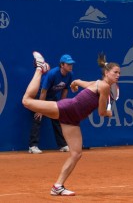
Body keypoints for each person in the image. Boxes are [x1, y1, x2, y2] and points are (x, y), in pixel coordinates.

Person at [22, 51, 120, 196]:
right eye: (115, 72)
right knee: (26, 101)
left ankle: (58, 186)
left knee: (76, 153)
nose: (118, 75)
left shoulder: (97, 83)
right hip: (67, 108)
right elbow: (101, 112)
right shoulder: (104, 87)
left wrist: (74, 84)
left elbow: (80, 82)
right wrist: (108, 113)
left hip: (73, 120)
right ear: (106, 72)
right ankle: (40, 68)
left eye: (119, 73)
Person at [28, 54, 76, 154]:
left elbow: (65, 90)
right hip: (39, 95)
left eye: (71, 64)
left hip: (51, 97)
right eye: (68, 64)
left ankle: (62, 145)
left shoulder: (70, 74)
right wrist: (40, 108)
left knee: (57, 117)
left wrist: (61, 106)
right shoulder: (53, 74)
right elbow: (43, 91)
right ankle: (33, 146)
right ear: (62, 65)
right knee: (38, 117)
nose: (71, 66)